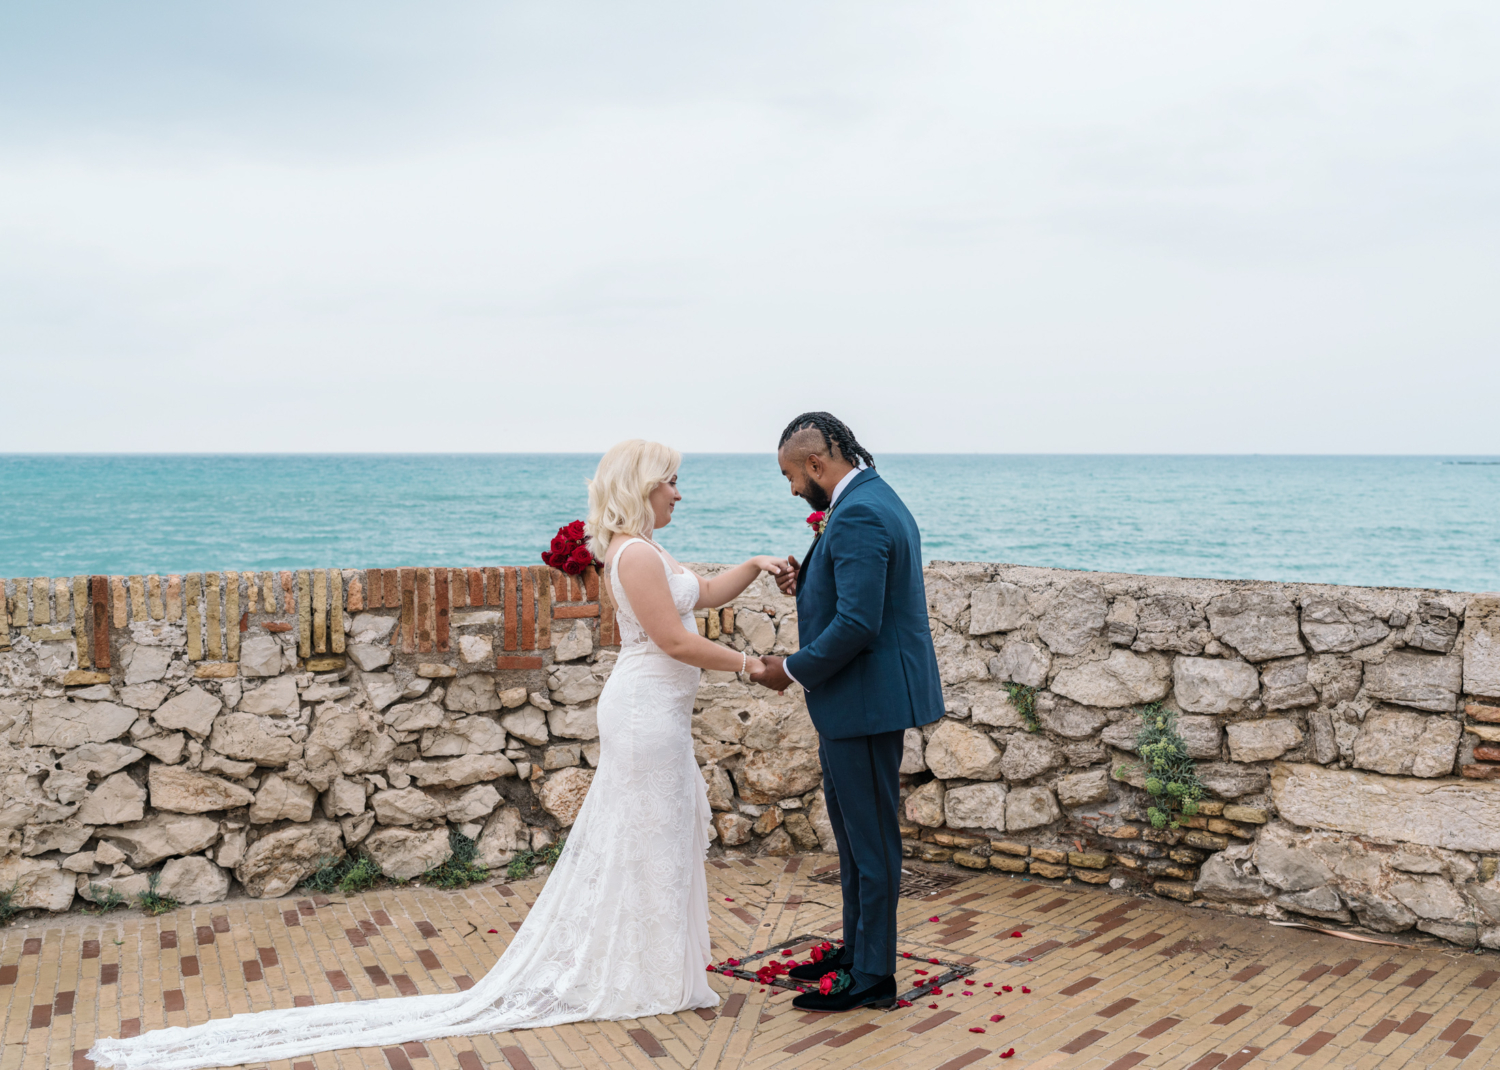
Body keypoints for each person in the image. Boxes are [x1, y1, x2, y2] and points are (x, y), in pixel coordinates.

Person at [89, 439, 789, 1070]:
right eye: (670, 481)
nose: (678, 492)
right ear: (643, 485)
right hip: (643, 713)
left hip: (660, 711)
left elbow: (703, 593)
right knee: (645, 838)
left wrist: (754, 565)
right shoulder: (634, 555)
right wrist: (750, 664)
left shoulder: (651, 550)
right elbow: (671, 638)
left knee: (660, 840)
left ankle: (659, 969)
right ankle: (642, 973)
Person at [748, 412, 944, 1012]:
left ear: (815, 464)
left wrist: (791, 668)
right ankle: (858, 952)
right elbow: (859, 592)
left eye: (790, 476)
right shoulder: (871, 495)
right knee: (855, 839)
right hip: (860, 700)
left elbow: (859, 623)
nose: (790, 490)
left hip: (863, 700)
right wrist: (809, 581)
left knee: (872, 841)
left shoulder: (856, 510)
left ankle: (874, 977)